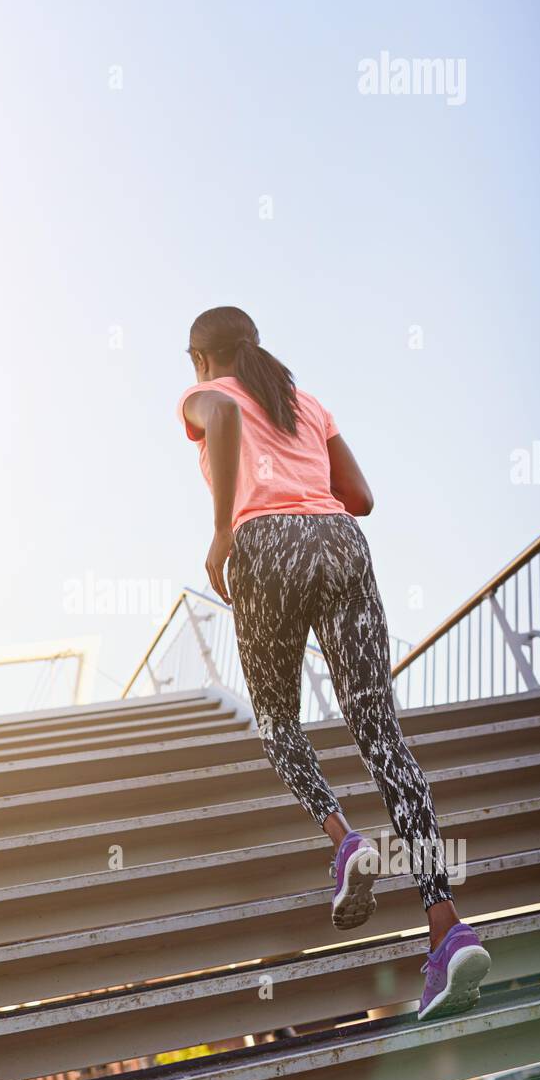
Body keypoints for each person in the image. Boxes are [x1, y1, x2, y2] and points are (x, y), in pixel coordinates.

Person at [177, 305, 491, 1020]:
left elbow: (220, 420)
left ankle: (343, 838)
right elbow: (361, 498)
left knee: (278, 726)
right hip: (341, 542)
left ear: (199, 359)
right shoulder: (305, 402)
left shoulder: (206, 394)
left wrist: (224, 531)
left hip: (268, 545)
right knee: (380, 735)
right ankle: (445, 923)